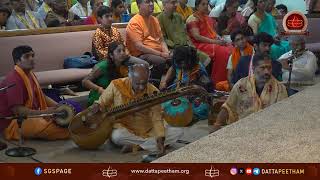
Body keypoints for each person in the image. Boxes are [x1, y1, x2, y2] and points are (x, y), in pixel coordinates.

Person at [91, 64, 184, 154]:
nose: (141, 87)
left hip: (148, 128)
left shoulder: (153, 92)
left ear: (148, 78)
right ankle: (150, 144)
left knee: (177, 132)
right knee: (117, 137)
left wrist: (160, 138)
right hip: (125, 127)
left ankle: (138, 146)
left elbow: (157, 118)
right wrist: (96, 105)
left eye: (144, 83)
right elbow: (102, 102)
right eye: (137, 83)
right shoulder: (116, 85)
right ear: (130, 78)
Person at [0, 46, 69, 140]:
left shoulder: (31, 75)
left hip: (30, 115)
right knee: (55, 128)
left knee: (66, 118)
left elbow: (41, 96)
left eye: (33, 55)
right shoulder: (14, 79)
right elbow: (18, 111)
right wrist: (44, 112)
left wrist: (61, 107)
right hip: (13, 122)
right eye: (27, 56)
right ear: (17, 61)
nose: (32, 59)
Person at [211, 53, 288, 132]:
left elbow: (282, 114)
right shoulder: (241, 85)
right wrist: (217, 124)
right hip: (242, 129)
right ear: (253, 68)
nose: (267, 72)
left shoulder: (279, 88)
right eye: (263, 68)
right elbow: (228, 107)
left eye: (269, 68)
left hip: (268, 130)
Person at [186, 0, 232, 86]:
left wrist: (219, 38)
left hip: (211, 42)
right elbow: (197, 37)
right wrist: (216, 42)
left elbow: (213, 33)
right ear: (197, 6)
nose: (205, 6)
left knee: (231, 48)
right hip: (199, 44)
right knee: (223, 52)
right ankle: (218, 82)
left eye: (207, 4)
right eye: (203, 4)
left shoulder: (207, 18)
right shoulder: (192, 18)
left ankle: (229, 80)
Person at [157, 0, 211, 67]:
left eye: (176, 2)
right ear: (164, 4)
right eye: (173, 3)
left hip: (185, 46)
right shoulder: (159, 19)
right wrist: (177, 46)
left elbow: (185, 34)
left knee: (205, 58)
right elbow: (163, 39)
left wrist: (191, 45)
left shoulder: (178, 16)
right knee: (188, 57)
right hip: (172, 48)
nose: (176, 5)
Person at [126, 0, 170, 81]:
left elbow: (162, 40)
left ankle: (169, 86)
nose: (151, 4)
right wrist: (161, 54)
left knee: (177, 57)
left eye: (152, 1)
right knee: (160, 61)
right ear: (139, 5)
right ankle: (154, 88)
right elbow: (139, 47)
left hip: (158, 52)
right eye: (147, 2)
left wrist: (166, 52)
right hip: (142, 54)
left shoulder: (154, 19)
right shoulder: (134, 22)